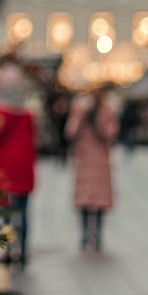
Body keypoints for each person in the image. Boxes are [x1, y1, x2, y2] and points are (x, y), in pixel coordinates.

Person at [0, 57, 37, 266]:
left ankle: (6, 250)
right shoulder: (28, 113)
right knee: (23, 210)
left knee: (6, 210)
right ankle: (22, 249)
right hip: (26, 165)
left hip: (5, 165)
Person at [65, 84, 118, 252]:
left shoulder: (107, 109)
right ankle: (85, 236)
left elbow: (111, 132)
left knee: (100, 201)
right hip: (84, 161)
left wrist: (98, 123)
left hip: (100, 162)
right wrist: (81, 116)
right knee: (84, 201)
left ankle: (98, 237)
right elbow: (70, 132)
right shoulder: (79, 109)